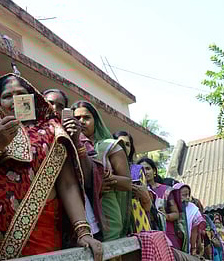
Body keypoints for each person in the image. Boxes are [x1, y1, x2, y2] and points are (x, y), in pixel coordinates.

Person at [0, 74, 102, 260]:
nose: (15, 100)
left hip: (43, 230)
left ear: (33, 99)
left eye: (21, 94)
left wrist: (83, 232)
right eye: (7, 96)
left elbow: (67, 184)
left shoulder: (53, 130)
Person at [43, 88, 103, 240]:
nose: (55, 109)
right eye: (50, 103)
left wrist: (75, 141)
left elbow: (90, 178)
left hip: (76, 212)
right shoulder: (27, 133)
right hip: (42, 212)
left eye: (60, 106)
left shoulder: (74, 134)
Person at [72, 100, 132, 241]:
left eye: (86, 118)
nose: (81, 122)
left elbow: (127, 183)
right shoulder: (68, 145)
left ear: (96, 121)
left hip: (107, 215)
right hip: (79, 215)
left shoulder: (110, 146)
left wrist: (104, 180)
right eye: (77, 118)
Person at [113, 130, 152, 233]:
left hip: (138, 222)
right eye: (119, 143)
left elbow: (147, 207)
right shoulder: (106, 168)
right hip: (114, 223)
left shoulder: (137, 170)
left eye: (127, 144)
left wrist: (145, 197)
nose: (124, 147)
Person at [170, 183, 206, 255]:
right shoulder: (169, 207)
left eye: (188, 195)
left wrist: (193, 248)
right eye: (184, 195)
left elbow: (194, 230)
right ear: (176, 195)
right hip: (172, 243)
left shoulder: (193, 209)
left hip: (187, 247)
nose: (187, 198)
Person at [138, 157, 171, 231]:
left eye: (148, 169)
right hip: (143, 230)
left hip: (165, 231)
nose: (145, 172)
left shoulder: (166, 190)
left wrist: (164, 216)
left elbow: (176, 213)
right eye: (142, 170)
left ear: (154, 171)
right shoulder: (136, 191)